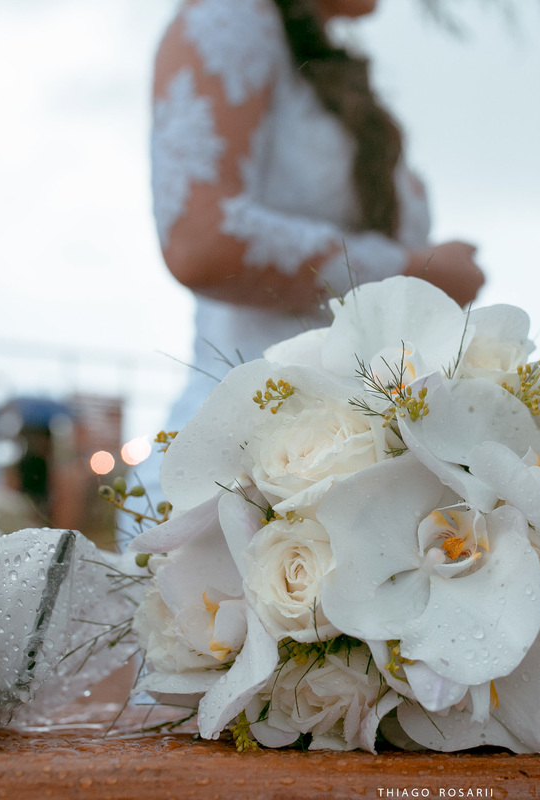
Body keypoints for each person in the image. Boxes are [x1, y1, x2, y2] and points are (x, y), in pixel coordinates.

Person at [135, 0, 485, 524]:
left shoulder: (312, 57)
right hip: (251, 466)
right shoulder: (229, 17)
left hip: (372, 458)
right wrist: (417, 270)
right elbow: (200, 241)